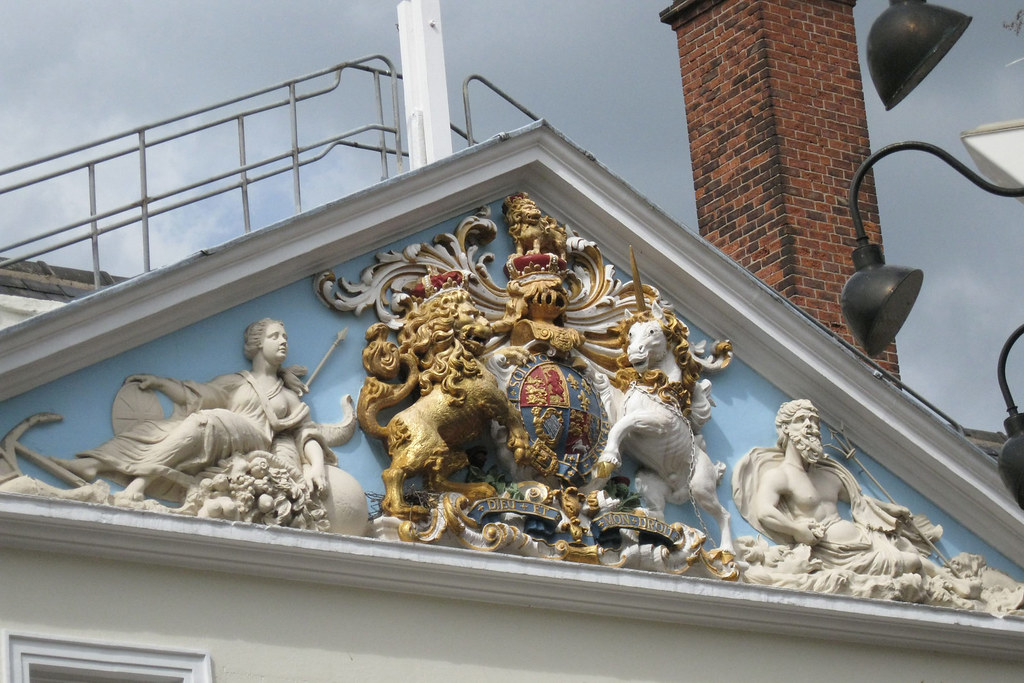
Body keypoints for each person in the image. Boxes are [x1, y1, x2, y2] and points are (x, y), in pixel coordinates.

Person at [61, 319, 332, 502]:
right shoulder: (236, 382)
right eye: (275, 336)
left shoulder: (286, 394)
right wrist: (162, 384)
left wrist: (317, 467)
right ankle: (96, 463)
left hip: (255, 441)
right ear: (258, 344)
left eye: (285, 336)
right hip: (225, 433)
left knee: (210, 421)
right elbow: (198, 395)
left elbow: (307, 434)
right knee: (161, 429)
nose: (283, 341)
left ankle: (139, 483)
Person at [732, 399, 938, 600]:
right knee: (911, 561)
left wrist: (890, 509)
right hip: (834, 553)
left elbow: (859, 501)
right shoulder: (780, 475)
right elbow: (765, 512)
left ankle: (950, 581)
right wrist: (797, 530)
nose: (810, 426)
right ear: (786, 429)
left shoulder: (829, 475)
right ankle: (951, 584)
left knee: (905, 545)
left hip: (864, 540)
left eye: (814, 421)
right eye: (801, 419)